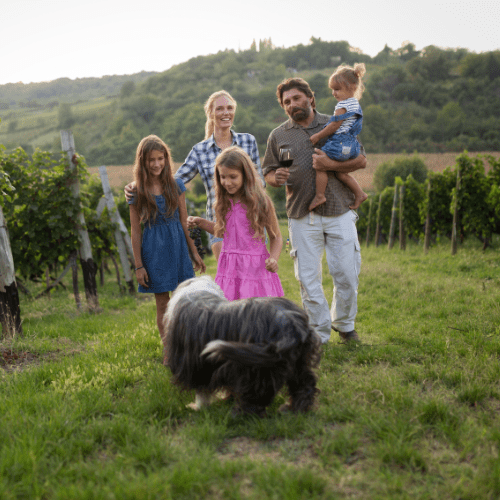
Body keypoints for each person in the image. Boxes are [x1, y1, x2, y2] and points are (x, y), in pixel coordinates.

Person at [262, 77, 366, 344]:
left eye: (297, 98)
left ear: (310, 97)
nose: (292, 104)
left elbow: (361, 160)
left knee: (346, 272)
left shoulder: (337, 121)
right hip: (300, 215)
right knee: (308, 279)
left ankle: (344, 325)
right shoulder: (279, 136)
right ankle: (319, 334)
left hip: (339, 209)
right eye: (287, 102)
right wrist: (277, 178)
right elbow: (268, 174)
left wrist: (330, 164)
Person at [124, 90, 264, 263]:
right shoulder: (200, 150)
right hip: (218, 225)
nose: (226, 113)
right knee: (228, 282)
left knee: (256, 282)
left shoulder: (248, 141)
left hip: (250, 222)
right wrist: (137, 184)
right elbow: (173, 181)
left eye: (229, 108)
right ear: (211, 114)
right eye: (220, 109)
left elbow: (260, 182)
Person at [128, 135, 206, 363]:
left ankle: (186, 344)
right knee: (162, 302)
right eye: (151, 160)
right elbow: (135, 230)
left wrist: (195, 252)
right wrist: (139, 265)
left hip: (178, 247)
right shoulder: (136, 191)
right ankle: (169, 349)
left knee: (183, 300)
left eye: (160, 158)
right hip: (154, 249)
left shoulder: (176, 185)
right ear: (142, 161)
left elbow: (184, 222)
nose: (156, 164)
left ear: (166, 159)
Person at [187, 146, 283, 301]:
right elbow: (221, 232)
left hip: (255, 268)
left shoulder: (261, 202)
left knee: (255, 312)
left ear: (245, 175)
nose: (227, 182)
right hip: (230, 268)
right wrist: (200, 222)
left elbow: (276, 236)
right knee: (231, 314)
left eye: (233, 177)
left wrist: (273, 258)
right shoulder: (223, 202)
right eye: (223, 177)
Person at [308, 63, 368, 211]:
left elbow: (334, 126)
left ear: (352, 87)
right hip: (352, 145)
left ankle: (320, 195)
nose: (334, 93)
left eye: (337, 89)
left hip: (340, 144)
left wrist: (318, 136)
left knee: (320, 163)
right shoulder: (355, 104)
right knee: (341, 173)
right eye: (332, 90)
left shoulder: (342, 106)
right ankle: (359, 193)